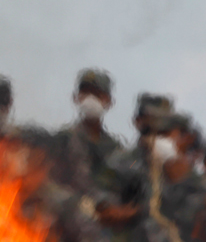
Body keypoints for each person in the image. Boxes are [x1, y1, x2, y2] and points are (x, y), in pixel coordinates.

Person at [50, 68, 123, 225]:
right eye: (86, 93)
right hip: (66, 225)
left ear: (109, 101)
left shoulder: (116, 149)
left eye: (97, 94)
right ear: (76, 98)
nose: (91, 99)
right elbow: (49, 183)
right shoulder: (62, 140)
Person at [105, 93, 180, 242]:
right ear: (138, 122)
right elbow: (108, 209)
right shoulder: (121, 163)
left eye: (165, 120)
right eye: (153, 118)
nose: (158, 125)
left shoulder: (182, 170)